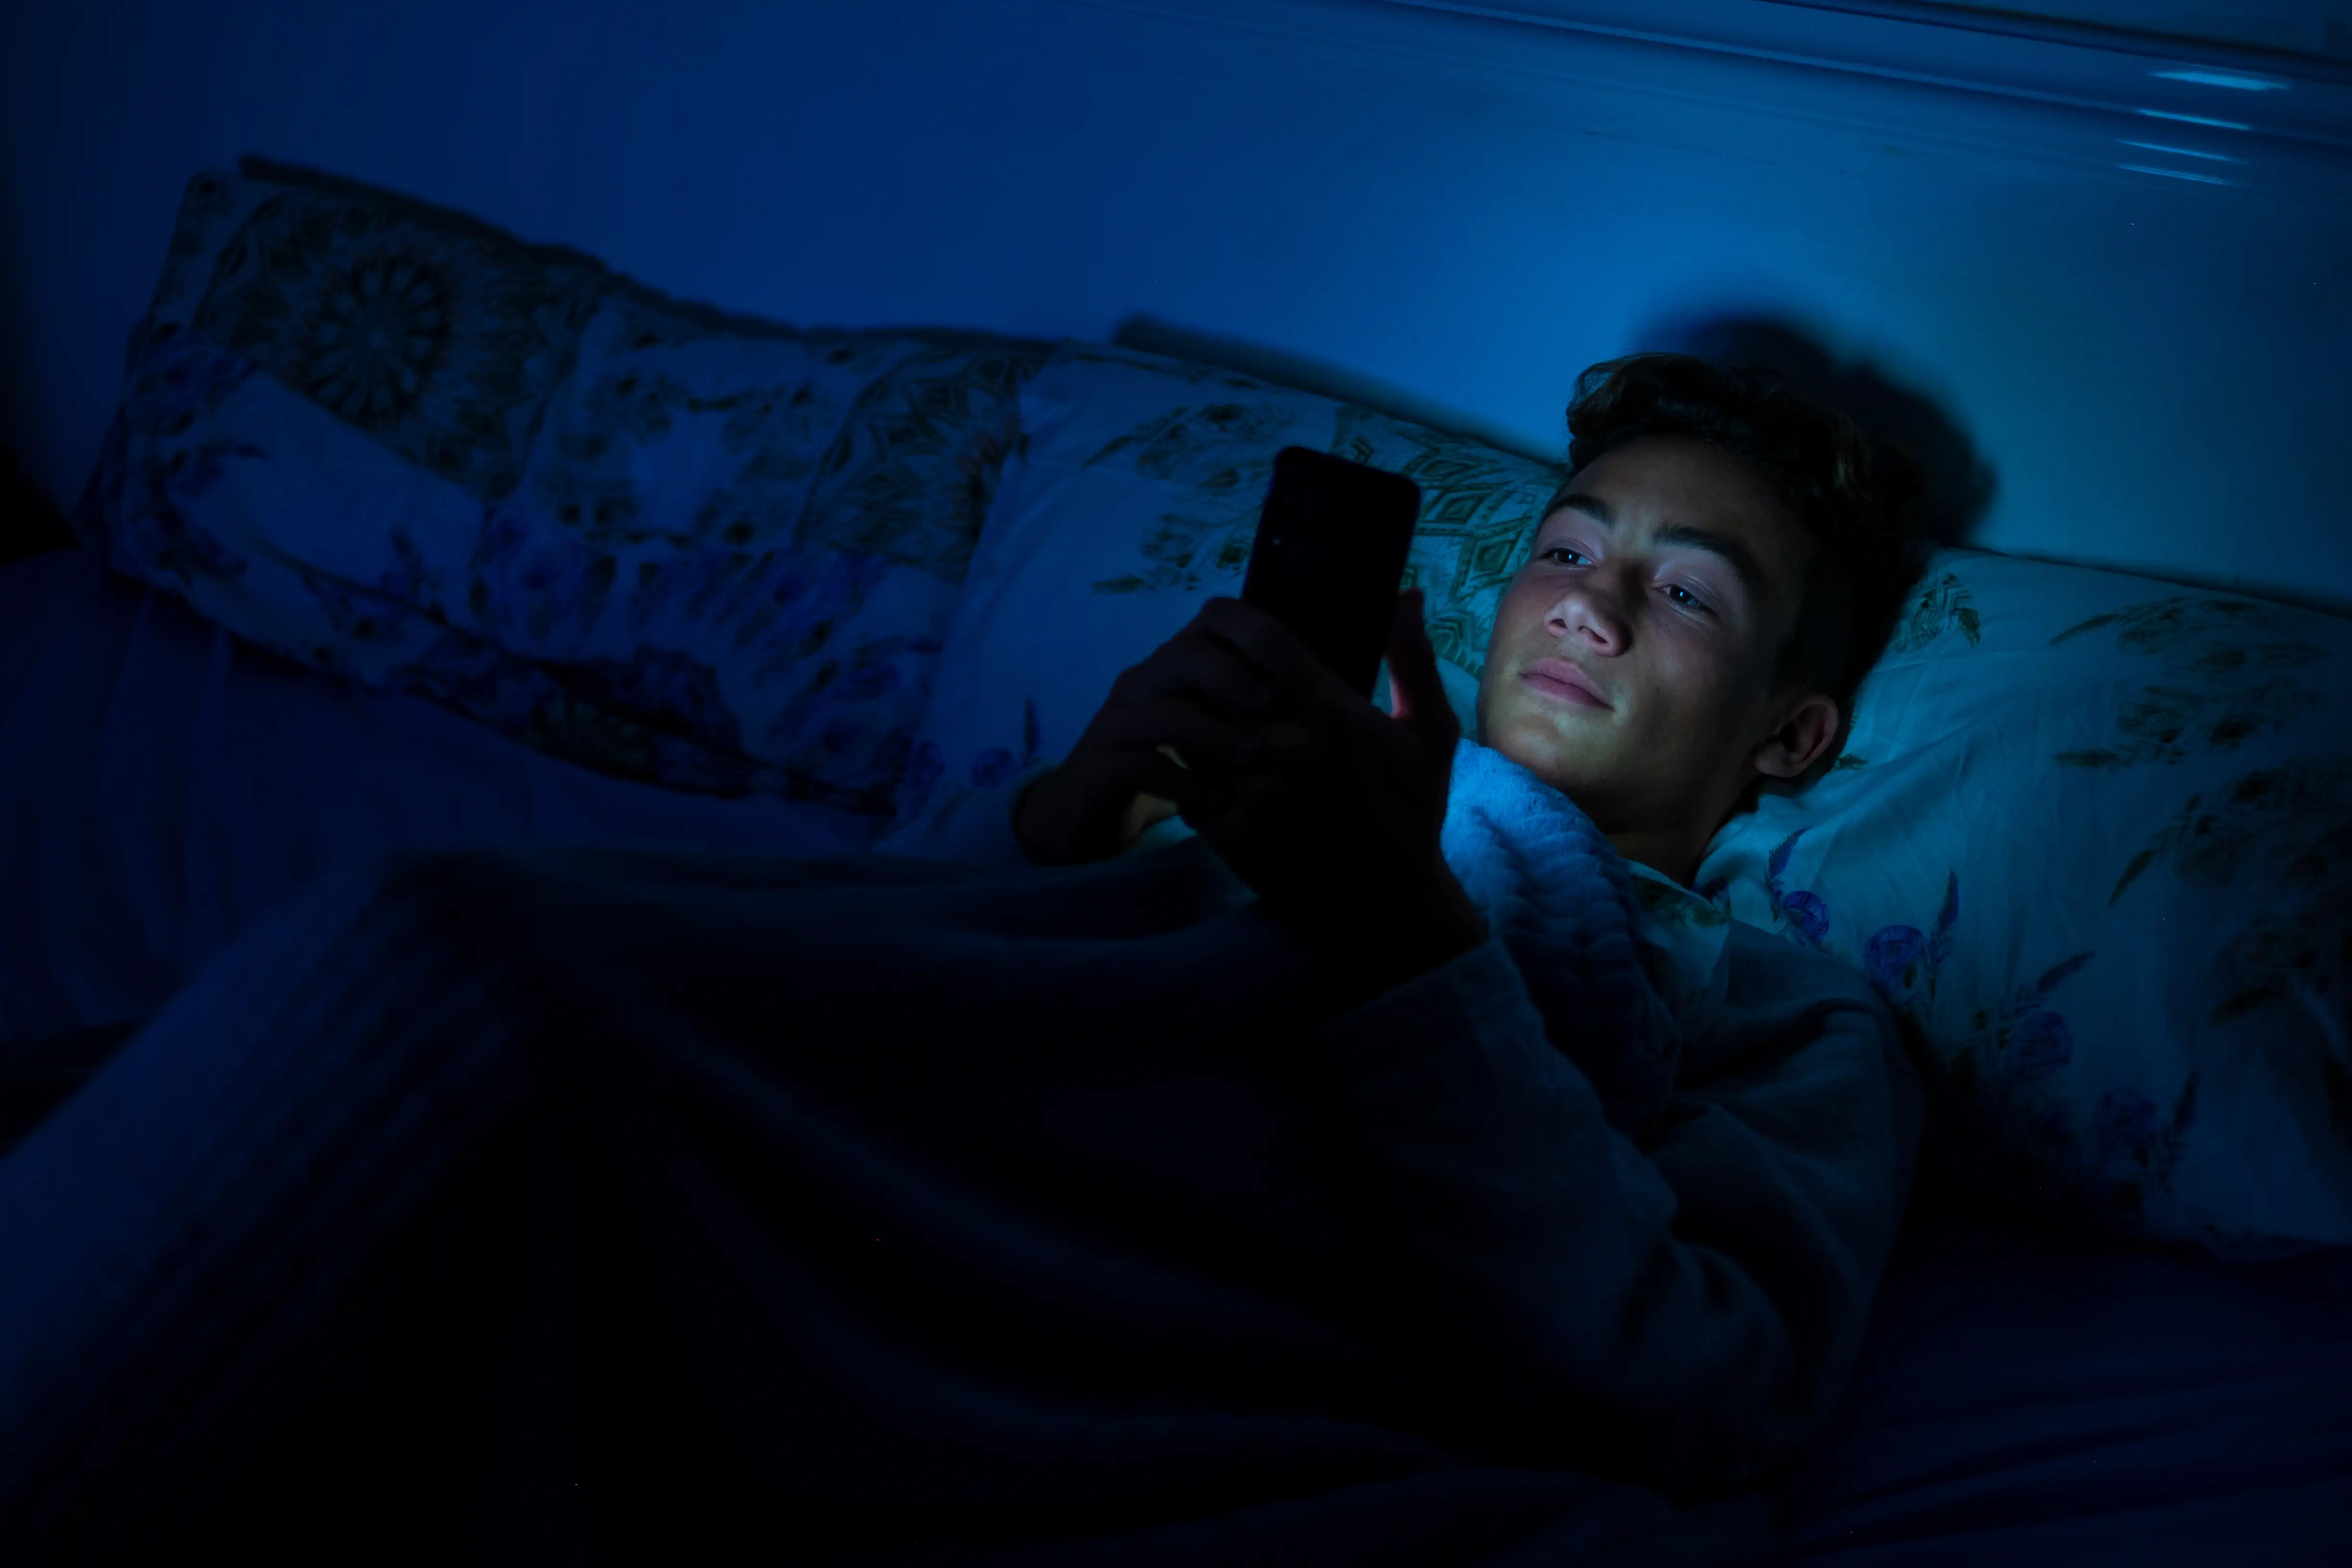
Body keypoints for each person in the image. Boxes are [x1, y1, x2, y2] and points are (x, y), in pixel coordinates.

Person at [0, 354, 1931, 1566]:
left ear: (1788, 736)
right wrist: (1078, 800)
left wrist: (1409, 937)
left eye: (1684, 591)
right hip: (852, 1110)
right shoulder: (1300, 769)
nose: (1588, 595)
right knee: (379, 995)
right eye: (1572, 544)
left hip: (1060, 1275)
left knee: (449, 989)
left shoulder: (1790, 1017)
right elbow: (932, 957)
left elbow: (1706, 1385)